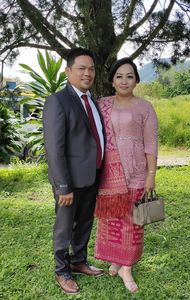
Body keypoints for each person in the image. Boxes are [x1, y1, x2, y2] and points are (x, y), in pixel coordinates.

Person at [43, 47, 104, 295]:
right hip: (69, 181)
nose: (87, 73)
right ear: (68, 71)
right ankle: (62, 270)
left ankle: (78, 261)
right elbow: (54, 149)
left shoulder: (92, 100)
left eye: (91, 69)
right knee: (64, 226)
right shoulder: (58, 101)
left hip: (92, 175)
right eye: (81, 68)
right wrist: (63, 186)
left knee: (85, 223)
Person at [94, 57, 158, 293]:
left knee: (132, 223)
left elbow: (151, 144)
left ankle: (127, 267)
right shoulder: (102, 105)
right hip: (109, 176)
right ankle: (115, 259)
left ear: (136, 80)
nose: (124, 81)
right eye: (119, 76)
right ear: (112, 80)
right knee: (112, 221)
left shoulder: (145, 107)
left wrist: (151, 174)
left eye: (129, 76)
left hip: (136, 172)